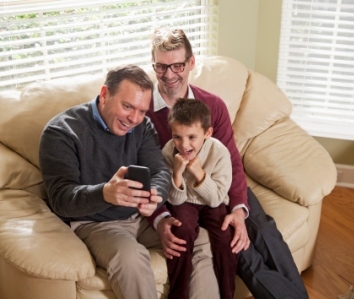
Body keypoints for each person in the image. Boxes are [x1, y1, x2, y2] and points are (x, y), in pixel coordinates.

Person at [147, 27, 309, 298]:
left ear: (191, 63)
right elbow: (149, 175)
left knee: (265, 231)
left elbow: (232, 162)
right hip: (185, 195)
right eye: (161, 67)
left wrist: (238, 209)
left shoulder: (213, 105)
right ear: (153, 65)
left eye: (177, 65)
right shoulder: (144, 112)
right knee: (239, 247)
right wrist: (159, 217)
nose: (169, 74)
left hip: (222, 183)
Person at [39, 64, 171, 299]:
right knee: (130, 257)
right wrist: (104, 194)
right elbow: (60, 199)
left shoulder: (142, 126)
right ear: (104, 94)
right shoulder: (61, 131)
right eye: (127, 106)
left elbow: (160, 172)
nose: (134, 118)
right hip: (95, 224)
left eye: (142, 111)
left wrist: (156, 195)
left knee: (198, 238)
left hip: (140, 218)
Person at [161, 98, 237, 299]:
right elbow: (175, 201)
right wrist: (177, 174)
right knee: (181, 230)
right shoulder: (169, 151)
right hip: (184, 201)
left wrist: (199, 174)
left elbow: (216, 199)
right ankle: (179, 294)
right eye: (177, 137)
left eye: (192, 137)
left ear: (207, 133)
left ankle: (227, 293)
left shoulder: (219, 152)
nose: (184, 145)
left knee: (225, 235)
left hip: (212, 202)